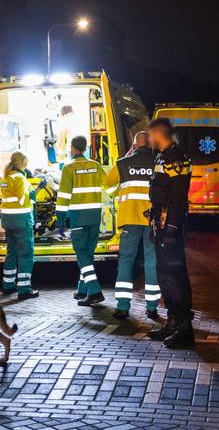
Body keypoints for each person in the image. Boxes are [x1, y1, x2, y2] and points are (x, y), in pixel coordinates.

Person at [146, 118, 194, 349]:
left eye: (150, 134)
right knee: (164, 275)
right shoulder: (162, 156)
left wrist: (172, 229)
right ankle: (172, 322)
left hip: (170, 225)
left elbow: (177, 197)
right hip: (160, 223)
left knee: (175, 276)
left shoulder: (175, 158)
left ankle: (185, 329)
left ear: (158, 134)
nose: (148, 138)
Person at [104, 131, 160, 320]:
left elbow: (108, 185)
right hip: (151, 219)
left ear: (134, 145)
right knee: (152, 261)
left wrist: (118, 193)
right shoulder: (157, 164)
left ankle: (123, 306)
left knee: (126, 260)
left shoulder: (123, 163)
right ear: (150, 145)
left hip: (129, 218)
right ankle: (152, 307)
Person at [56, 135, 107, 306]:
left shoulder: (69, 167)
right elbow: (109, 188)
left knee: (81, 254)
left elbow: (63, 196)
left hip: (78, 218)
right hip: (94, 217)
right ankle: (82, 290)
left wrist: (60, 220)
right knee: (88, 253)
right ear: (85, 148)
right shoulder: (96, 165)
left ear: (73, 148)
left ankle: (94, 291)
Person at [0, 151, 39, 300]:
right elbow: (22, 199)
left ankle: (8, 285)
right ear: (22, 163)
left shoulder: (5, 177)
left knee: (12, 252)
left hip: (8, 220)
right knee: (26, 254)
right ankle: (24, 289)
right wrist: (33, 193)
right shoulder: (20, 178)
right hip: (21, 220)